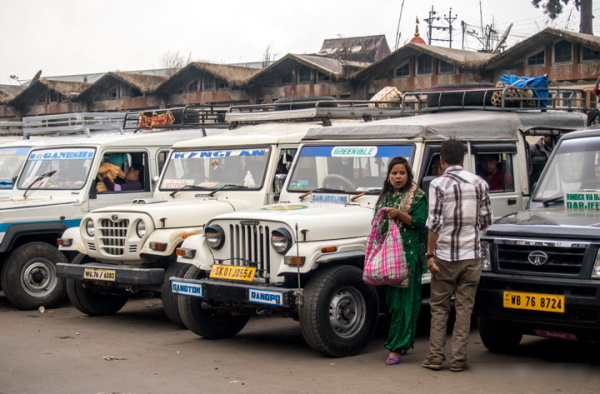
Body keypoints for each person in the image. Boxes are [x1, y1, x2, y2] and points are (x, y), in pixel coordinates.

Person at [422, 138, 492, 372]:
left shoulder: (437, 184)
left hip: (444, 256)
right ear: (463, 158)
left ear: (441, 160)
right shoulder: (479, 183)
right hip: (471, 255)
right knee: (464, 309)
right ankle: (458, 360)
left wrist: (429, 254)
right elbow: (485, 220)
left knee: (440, 308)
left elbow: (434, 223)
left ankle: (435, 358)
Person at [373, 156, 428, 365]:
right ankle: (404, 340)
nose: (398, 177)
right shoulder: (385, 197)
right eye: (394, 173)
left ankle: (396, 347)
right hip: (389, 256)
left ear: (408, 175)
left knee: (407, 302)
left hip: (408, 256)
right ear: (388, 176)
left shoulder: (418, 196)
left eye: (402, 173)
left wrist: (400, 214)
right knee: (393, 303)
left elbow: (421, 223)